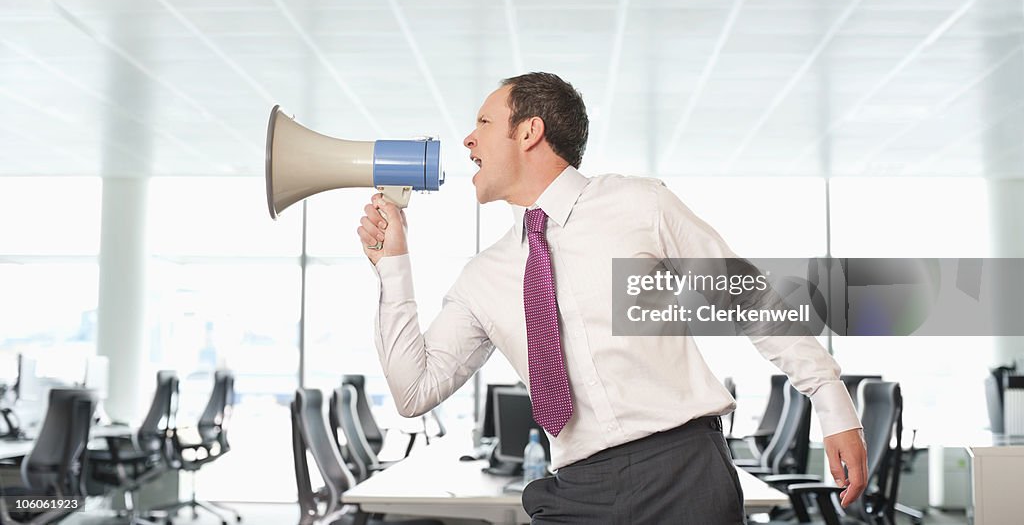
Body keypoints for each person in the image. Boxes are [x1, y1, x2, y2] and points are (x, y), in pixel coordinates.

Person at [357, 72, 867, 524]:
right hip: (577, 490)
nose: (468, 139)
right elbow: (413, 392)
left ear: (529, 131)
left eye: (484, 122)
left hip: (684, 472)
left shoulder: (639, 204)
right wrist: (393, 269)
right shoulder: (484, 276)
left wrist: (832, 404)